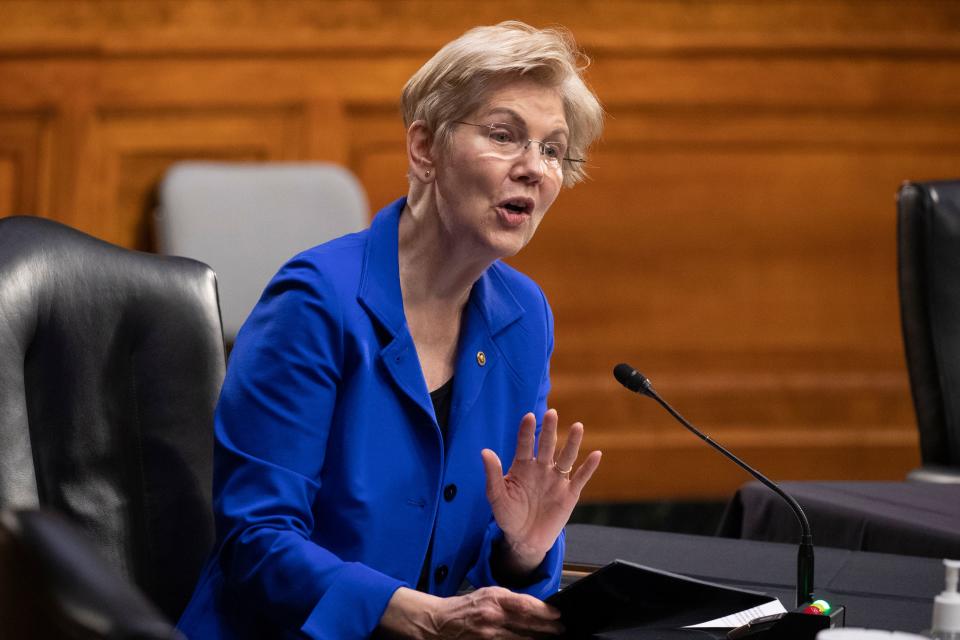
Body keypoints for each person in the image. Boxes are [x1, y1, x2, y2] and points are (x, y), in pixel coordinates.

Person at [177, 20, 605, 640]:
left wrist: (523, 551)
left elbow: (483, 574)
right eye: (505, 136)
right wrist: (416, 615)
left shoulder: (525, 315)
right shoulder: (317, 299)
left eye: (552, 149)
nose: (534, 169)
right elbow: (256, 542)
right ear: (424, 149)